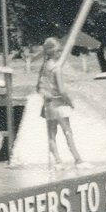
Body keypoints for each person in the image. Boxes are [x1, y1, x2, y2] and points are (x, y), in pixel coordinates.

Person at [37, 37, 91, 169]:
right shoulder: (57, 69)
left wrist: (46, 95)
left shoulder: (44, 67)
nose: (60, 53)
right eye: (58, 51)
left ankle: (58, 162)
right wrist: (69, 102)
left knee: (51, 135)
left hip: (48, 104)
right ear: (53, 52)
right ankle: (78, 160)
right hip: (59, 104)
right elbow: (62, 90)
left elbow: (38, 88)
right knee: (68, 132)